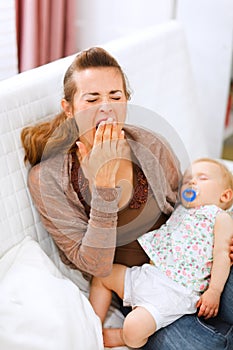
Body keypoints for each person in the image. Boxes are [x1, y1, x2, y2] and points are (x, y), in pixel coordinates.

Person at [21, 47, 233, 350]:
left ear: (127, 101)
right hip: (139, 289)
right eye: (92, 99)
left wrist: (222, 235)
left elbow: (189, 208)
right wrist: (105, 192)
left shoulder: (150, 144)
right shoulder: (48, 179)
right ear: (68, 109)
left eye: (115, 96)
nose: (105, 108)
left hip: (194, 265)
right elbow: (94, 265)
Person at [89, 158, 233, 348]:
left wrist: (214, 291)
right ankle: (91, 325)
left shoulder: (219, 217)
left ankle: (123, 337)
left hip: (176, 290)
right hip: (149, 274)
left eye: (202, 178)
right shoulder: (180, 209)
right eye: (188, 180)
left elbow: (223, 253)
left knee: (133, 327)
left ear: (225, 196)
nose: (191, 182)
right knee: (103, 275)